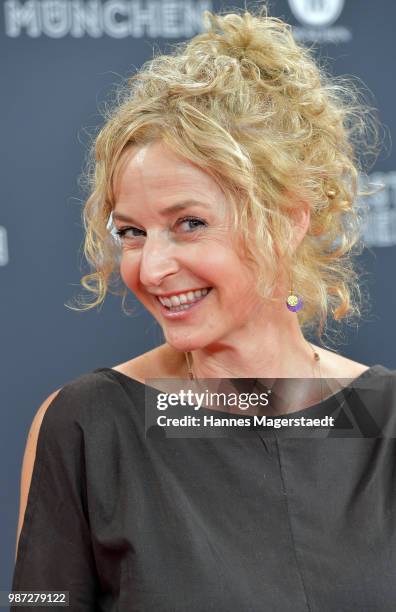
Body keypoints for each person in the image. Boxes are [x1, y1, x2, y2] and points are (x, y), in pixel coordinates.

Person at [12, 5, 396, 611]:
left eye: (188, 224)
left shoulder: (386, 420)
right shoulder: (88, 426)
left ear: (288, 220)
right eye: (132, 231)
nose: (151, 266)